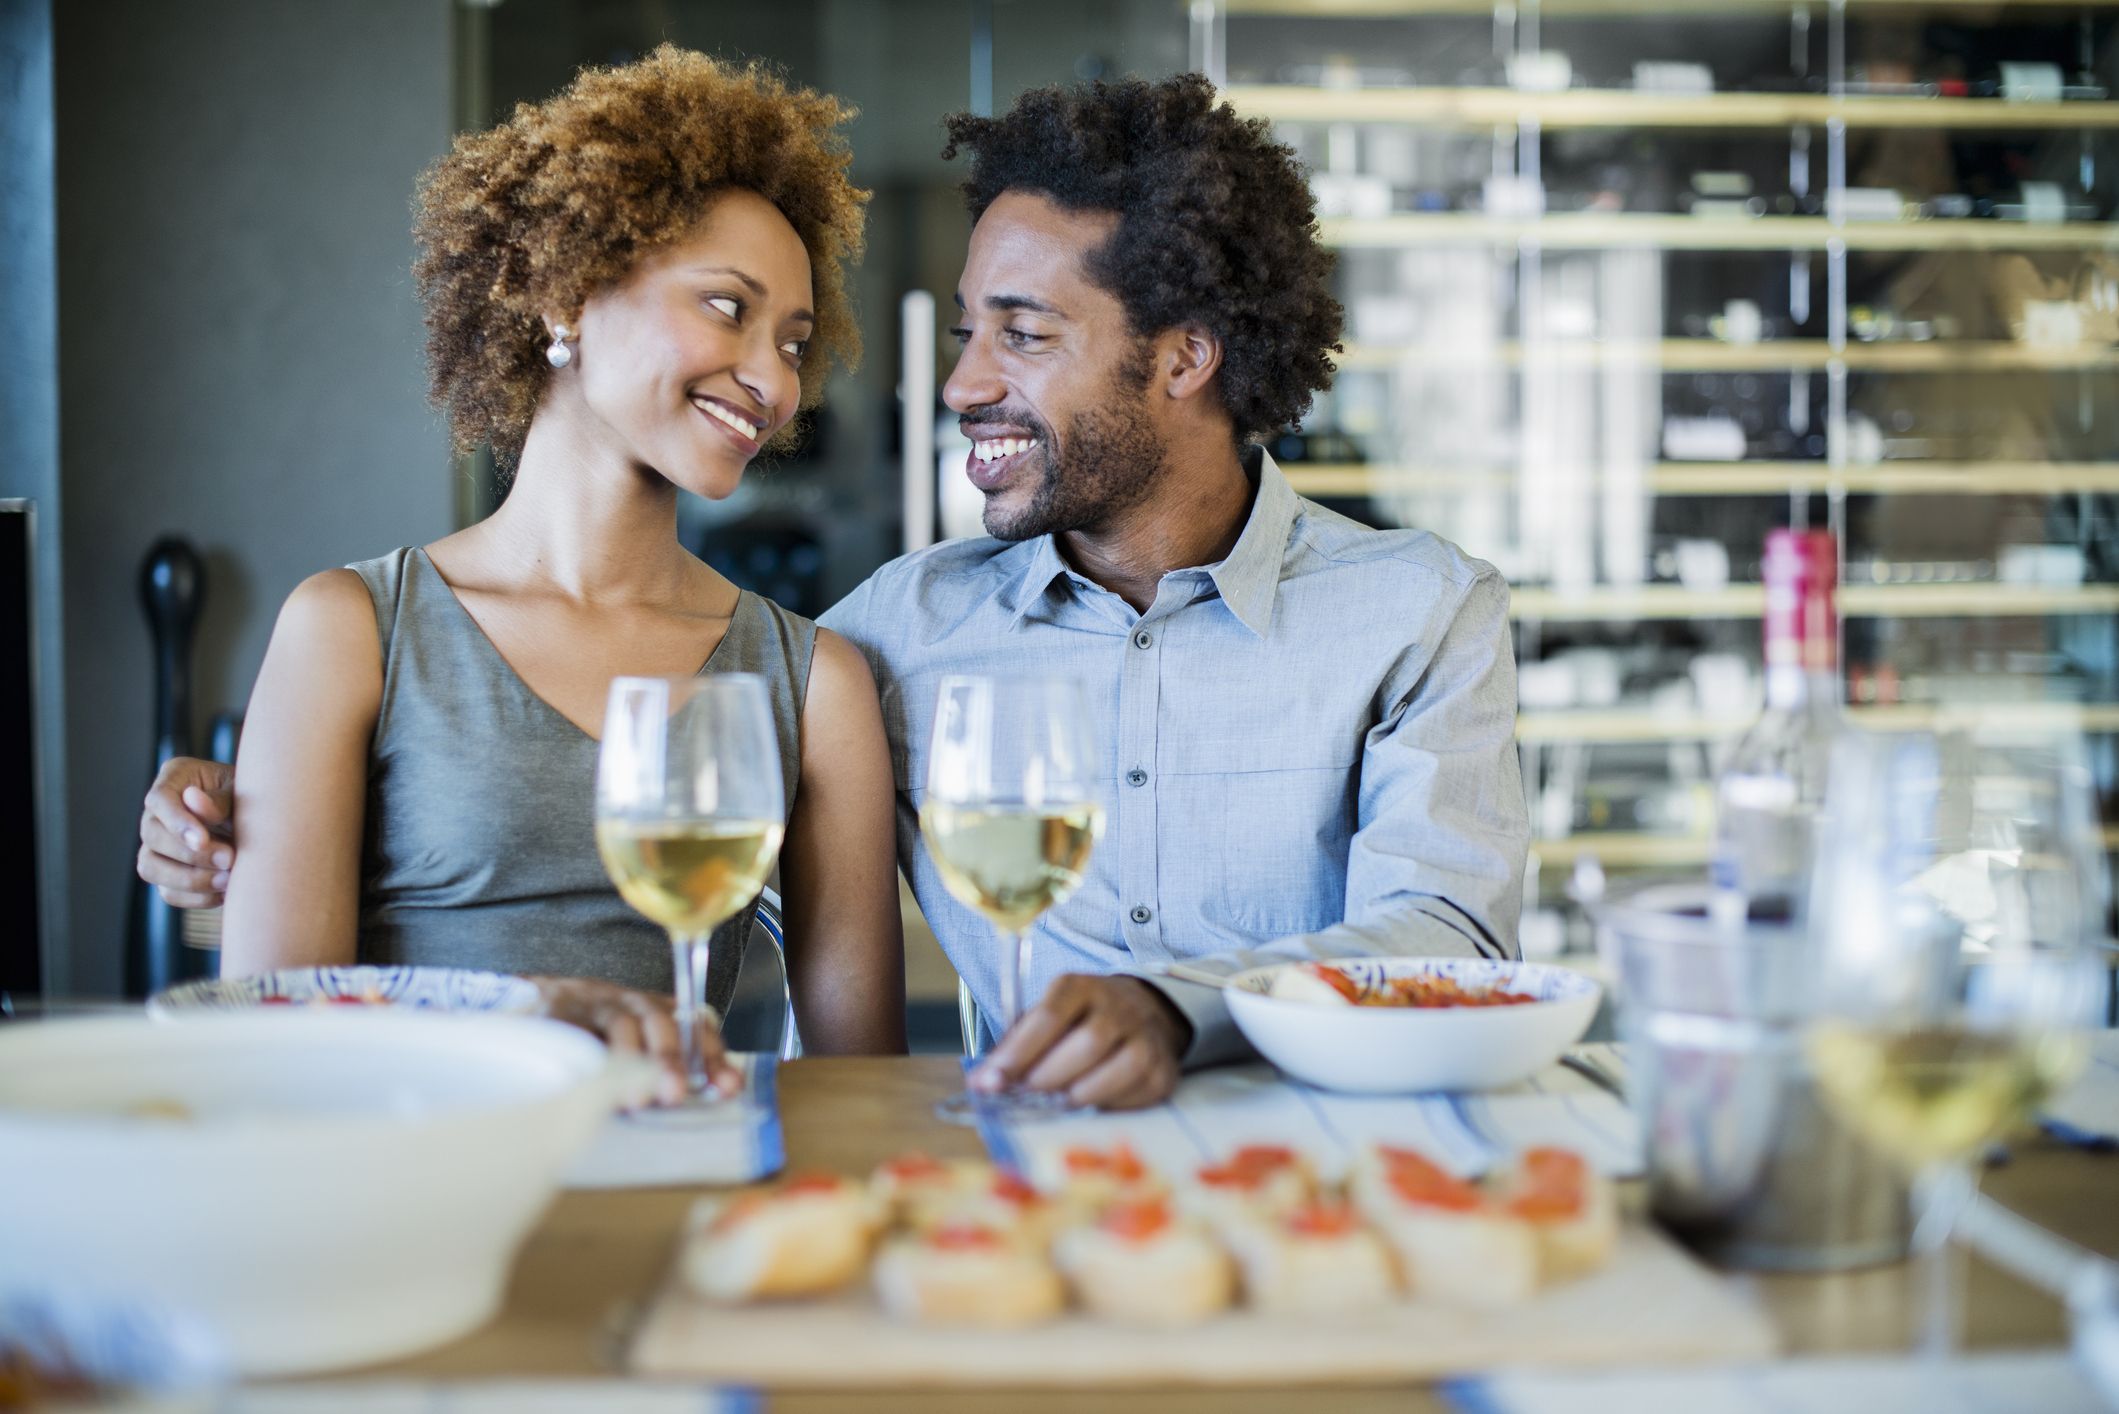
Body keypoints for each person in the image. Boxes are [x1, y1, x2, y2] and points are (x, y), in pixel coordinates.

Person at [140, 72, 1527, 1111]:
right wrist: (225, 810)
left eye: (1020, 332)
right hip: (446, 1164)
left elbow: (1440, 937)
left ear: (1183, 357)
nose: (957, 381)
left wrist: (1175, 1010)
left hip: (1346, 1165)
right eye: (729, 308)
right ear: (562, 291)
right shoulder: (885, 638)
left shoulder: (1413, 611)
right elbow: (269, 1021)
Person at [140, 47, 906, 1098]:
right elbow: (270, 1057)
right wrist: (537, 1019)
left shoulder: (816, 682)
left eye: (794, 339)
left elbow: (862, 1096)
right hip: (411, 1213)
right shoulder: (352, 630)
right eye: (728, 308)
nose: (774, 379)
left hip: (669, 1207)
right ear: (568, 296)